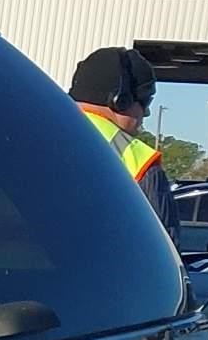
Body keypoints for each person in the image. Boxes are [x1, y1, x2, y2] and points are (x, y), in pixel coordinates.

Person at [69, 46, 176, 234]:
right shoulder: (138, 162)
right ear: (121, 100)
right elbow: (163, 249)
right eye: (145, 101)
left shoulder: (27, 135)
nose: (147, 112)